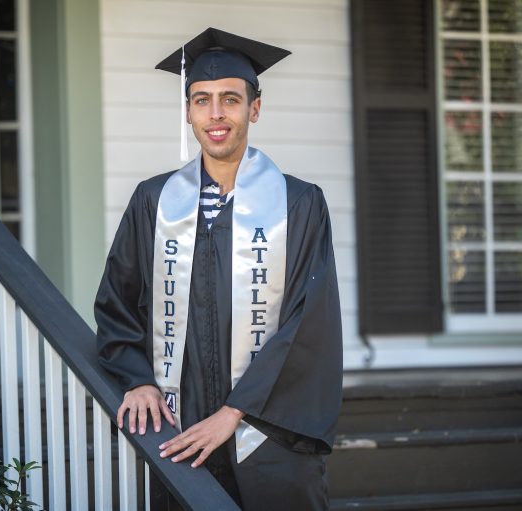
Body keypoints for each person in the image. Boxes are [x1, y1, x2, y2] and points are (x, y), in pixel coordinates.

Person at [94, 27, 342, 510]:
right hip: (180, 431)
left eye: (230, 99)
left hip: (270, 436)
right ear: (188, 111)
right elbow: (117, 301)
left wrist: (234, 411)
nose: (216, 114)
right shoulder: (155, 201)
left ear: (254, 108)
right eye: (201, 99)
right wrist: (139, 379)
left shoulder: (300, 204)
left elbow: (309, 323)